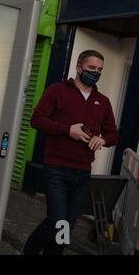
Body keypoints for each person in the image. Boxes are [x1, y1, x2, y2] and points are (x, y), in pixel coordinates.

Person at [23, 50, 119, 255]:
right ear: (78, 67)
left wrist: (102, 138)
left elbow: (113, 134)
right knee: (56, 221)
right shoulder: (57, 90)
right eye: (91, 68)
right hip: (56, 169)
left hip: (82, 173)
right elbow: (37, 120)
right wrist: (68, 130)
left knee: (67, 226)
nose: (95, 72)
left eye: (100, 70)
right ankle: (28, 252)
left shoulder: (103, 101)